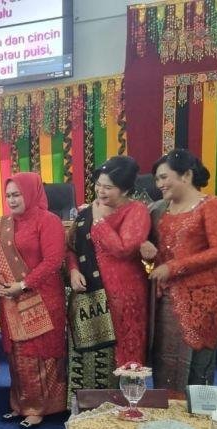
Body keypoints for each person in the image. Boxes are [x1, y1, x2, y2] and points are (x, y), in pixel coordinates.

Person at [140, 149, 217, 394]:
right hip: (165, 300)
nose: (159, 184)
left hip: (201, 299)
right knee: (166, 359)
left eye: (163, 177)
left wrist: (173, 267)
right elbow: (149, 253)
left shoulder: (212, 206)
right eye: (157, 179)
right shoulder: (158, 209)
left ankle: (197, 419)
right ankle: (168, 414)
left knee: (196, 365)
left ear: (186, 175)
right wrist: (145, 250)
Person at [66, 156, 150, 400]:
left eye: (108, 187)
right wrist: (73, 270)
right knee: (90, 352)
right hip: (89, 294)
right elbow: (71, 247)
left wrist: (99, 220)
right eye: (98, 184)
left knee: (125, 351)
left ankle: (127, 404)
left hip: (124, 294)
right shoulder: (85, 212)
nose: (100, 191)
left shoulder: (136, 211)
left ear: (124, 189)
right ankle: (89, 403)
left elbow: (123, 248)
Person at [0, 172, 67, 429]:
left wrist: (22, 285)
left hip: (43, 299)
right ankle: (20, 404)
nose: (11, 200)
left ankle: (40, 408)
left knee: (39, 355)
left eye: (17, 194)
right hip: (10, 301)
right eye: (8, 195)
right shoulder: (1, 225)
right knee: (17, 356)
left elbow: (54, 261)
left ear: (31, 193)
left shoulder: (49, 221)